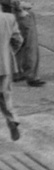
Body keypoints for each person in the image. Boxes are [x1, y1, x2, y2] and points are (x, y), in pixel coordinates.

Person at [4, 0, 45, 86]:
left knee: (19, 44)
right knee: (31, 46)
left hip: (14, 16)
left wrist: (13, 8)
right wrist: (21, 9)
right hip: (24, 16)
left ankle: (17, 72)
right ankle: (32, 76)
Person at [0, 10, 24, 141]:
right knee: (5, 94)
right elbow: (18, 39)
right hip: (4, 63)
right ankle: (12, 119)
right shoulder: (9, 18)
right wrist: (9, 53)